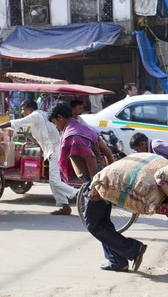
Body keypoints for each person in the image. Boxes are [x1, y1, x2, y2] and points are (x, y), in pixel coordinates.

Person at [49, 102, 147, 272]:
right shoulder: (84, 129)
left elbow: (90, 159)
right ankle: (117, 261)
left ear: (60, 117)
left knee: (92, 224)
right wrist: (109, 172)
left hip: (94, 180)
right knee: (103, 223)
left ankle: (133, 248)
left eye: (55, 122)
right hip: (102, 177)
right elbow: (107, 151)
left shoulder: (73, 134)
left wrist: (96, 185)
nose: (56, 126)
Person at [0, 100, 78, 215]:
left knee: (54, 181)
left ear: (29, 109)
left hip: (55, 150)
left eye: (23, 109)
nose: (22, 111)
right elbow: (28, 130)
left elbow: (16, 123)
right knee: (53, 181)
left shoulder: (34, 115)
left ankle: (77, 194)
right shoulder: (42, 114)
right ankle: (65, 206)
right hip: (56, 149)